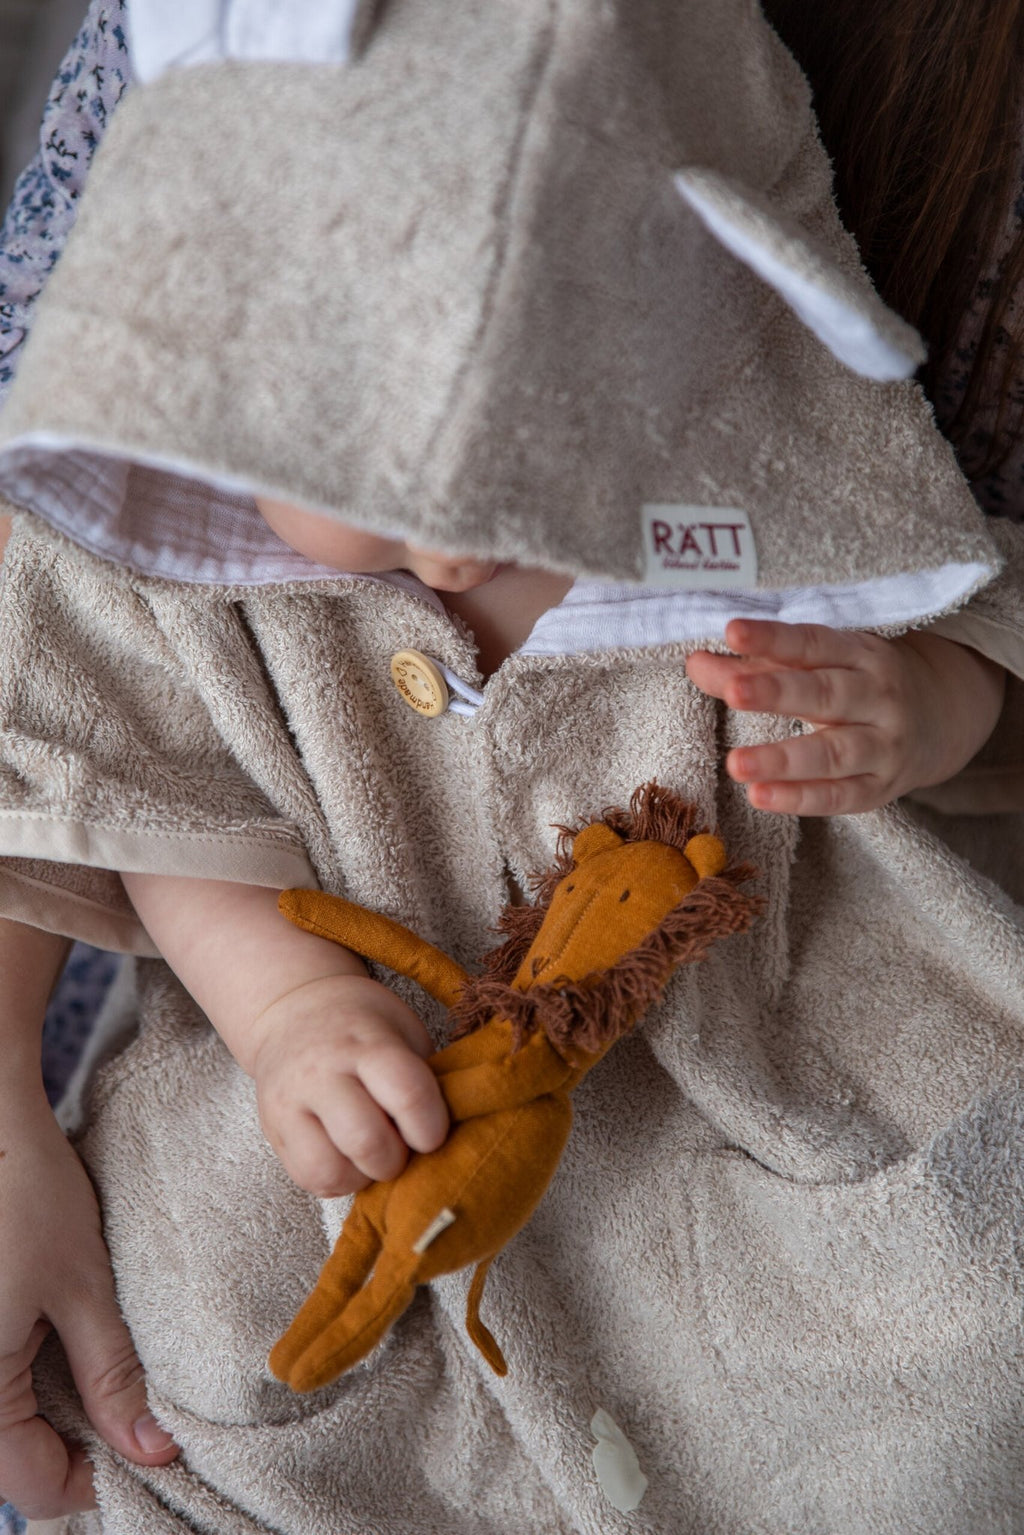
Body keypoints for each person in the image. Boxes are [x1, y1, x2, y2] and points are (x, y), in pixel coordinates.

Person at [1, 1, 1024, 1529]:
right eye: (348, 464)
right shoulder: (181, 539)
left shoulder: (782, 516)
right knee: (200, 1307)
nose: (450, 544)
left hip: (767, 1081)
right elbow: (148, 786)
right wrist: (284, 1014)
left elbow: (968, 608)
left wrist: (935, 705)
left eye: (537, 449)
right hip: (339, 1110)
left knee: (963, 1324)